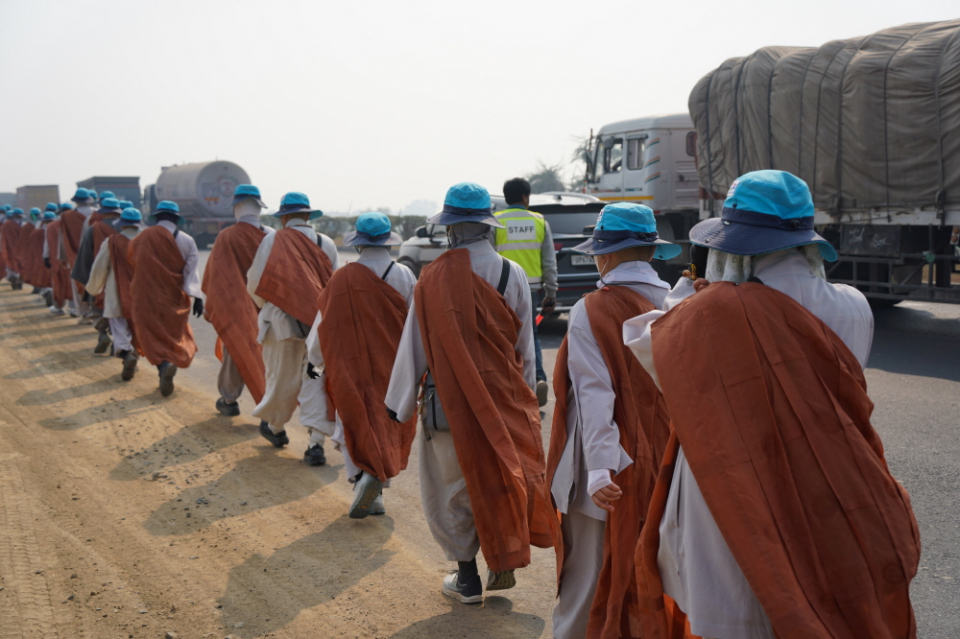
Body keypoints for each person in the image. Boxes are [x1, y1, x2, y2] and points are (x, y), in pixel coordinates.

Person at [623, 170, 920, 639]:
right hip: (832, 485)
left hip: (737, 493)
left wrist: (688, 290)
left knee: (740, 608)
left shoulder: (710, 313)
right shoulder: (853, 304)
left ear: (733, 247)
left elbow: (648, 346)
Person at [385, 182, 554, 605]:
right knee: (500, 476)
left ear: (451, 229)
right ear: (486, 226)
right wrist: (527, 401)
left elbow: (415, 346)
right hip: (503, 400)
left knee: (450, 487)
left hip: (449, 405)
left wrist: (398, 405)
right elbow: (523, 346)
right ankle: (502, 553)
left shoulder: (433, 277)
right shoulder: (510, 272)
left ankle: (467, 577)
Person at [546, 203, 679, 639]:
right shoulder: (681, 303)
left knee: (587, 575)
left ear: (605, 254)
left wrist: (601, 468)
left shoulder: (593, 308)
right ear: (650, 251)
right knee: (656, 574)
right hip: (669, 464)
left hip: (607, 468)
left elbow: (593, 393)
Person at [303, 211, 417, 517]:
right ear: (388, 242)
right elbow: (416, 325)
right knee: (388, 423)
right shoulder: (404, 275)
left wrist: (315, 359)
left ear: (358, 244)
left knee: (354, 421)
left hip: (349, 366)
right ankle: (377, 483)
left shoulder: (342, 278)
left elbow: (323, 324)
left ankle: (362, 479)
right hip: (394, 367)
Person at [245, 192, 338, 451]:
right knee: (315, 378)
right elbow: (334, 286)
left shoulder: (273, 239)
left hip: (280, 325)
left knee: (281, 377)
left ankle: (275, 428)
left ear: (284, 216)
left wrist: (269, 306)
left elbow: (255, 281)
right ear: (308, 215)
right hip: (318, 328)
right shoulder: (326, 242)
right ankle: (316, 441)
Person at [201, 184, 274, 417]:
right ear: (259, 208)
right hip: (269, 308)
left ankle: (229, 399)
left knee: (237, 351)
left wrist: (210, 305)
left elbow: (215, 276)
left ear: (237, 207)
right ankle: (271, 403)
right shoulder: (272, 236)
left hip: (236, 308)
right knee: (272, 357)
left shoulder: (226, 236)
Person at [493, 177, 558, 406]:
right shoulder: (539, 222)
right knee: (530, 336)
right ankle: (537, 379)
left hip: (499, 289)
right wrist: (551, 293)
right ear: (524, 197)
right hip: (531, 289)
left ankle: (504, 384)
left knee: (500, 336)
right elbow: (549, 261)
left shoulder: (496, 222)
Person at [128, 200, 203, 396]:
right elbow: (191, 273)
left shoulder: (141, 238)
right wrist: (197, 297)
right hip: (174, 297)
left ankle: (163, 367)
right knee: (174, 334)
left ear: (157, 217)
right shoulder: (187, 240)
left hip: (146, 296)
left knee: (150, 333)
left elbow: (133, 262)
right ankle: (169, 362)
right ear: (176, 219)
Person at [86, 208, 144, 380]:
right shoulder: (146, 241)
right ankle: (135, 357)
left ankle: (127, 355)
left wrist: (93, 288)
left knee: (119, 327)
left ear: (122, 224)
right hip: (142, 293)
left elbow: (99, 267)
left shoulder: (111, 242)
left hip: (116, 292)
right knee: (139, 328)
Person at [74, 197, 122, 353]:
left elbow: (85, 255)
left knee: (98, 308)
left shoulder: (94, 229)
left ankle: (102, 334)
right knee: (120, 310)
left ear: (103, 211)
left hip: (100, 275)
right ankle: (119, 341)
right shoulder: (126, 228)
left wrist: (86, 278)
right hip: (122, 278)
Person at [60, 188, 95, 318]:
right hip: (95, 254)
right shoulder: (97, 214)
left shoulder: (66, 216)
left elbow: (62, 238)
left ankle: (83, 313)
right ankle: (95, 311)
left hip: (74, 255)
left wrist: (62, 257)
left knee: (77, 283)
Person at [44, 204, 75, 315]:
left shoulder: (51, 226)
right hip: (73, 259)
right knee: (74, 283)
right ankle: (74, 308)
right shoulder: (77, 224)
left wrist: (46, 257)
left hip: (57, 260)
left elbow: (47, 244)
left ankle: (58, 306)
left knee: (59, 283)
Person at [1, 207, 26, 289]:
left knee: (10, 265)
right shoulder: (24, 225)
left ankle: (14, 277)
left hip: (9, 249)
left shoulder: (6, 225)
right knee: (21, 265)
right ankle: (19, 279)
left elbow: (3, 238)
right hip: (21, 250)